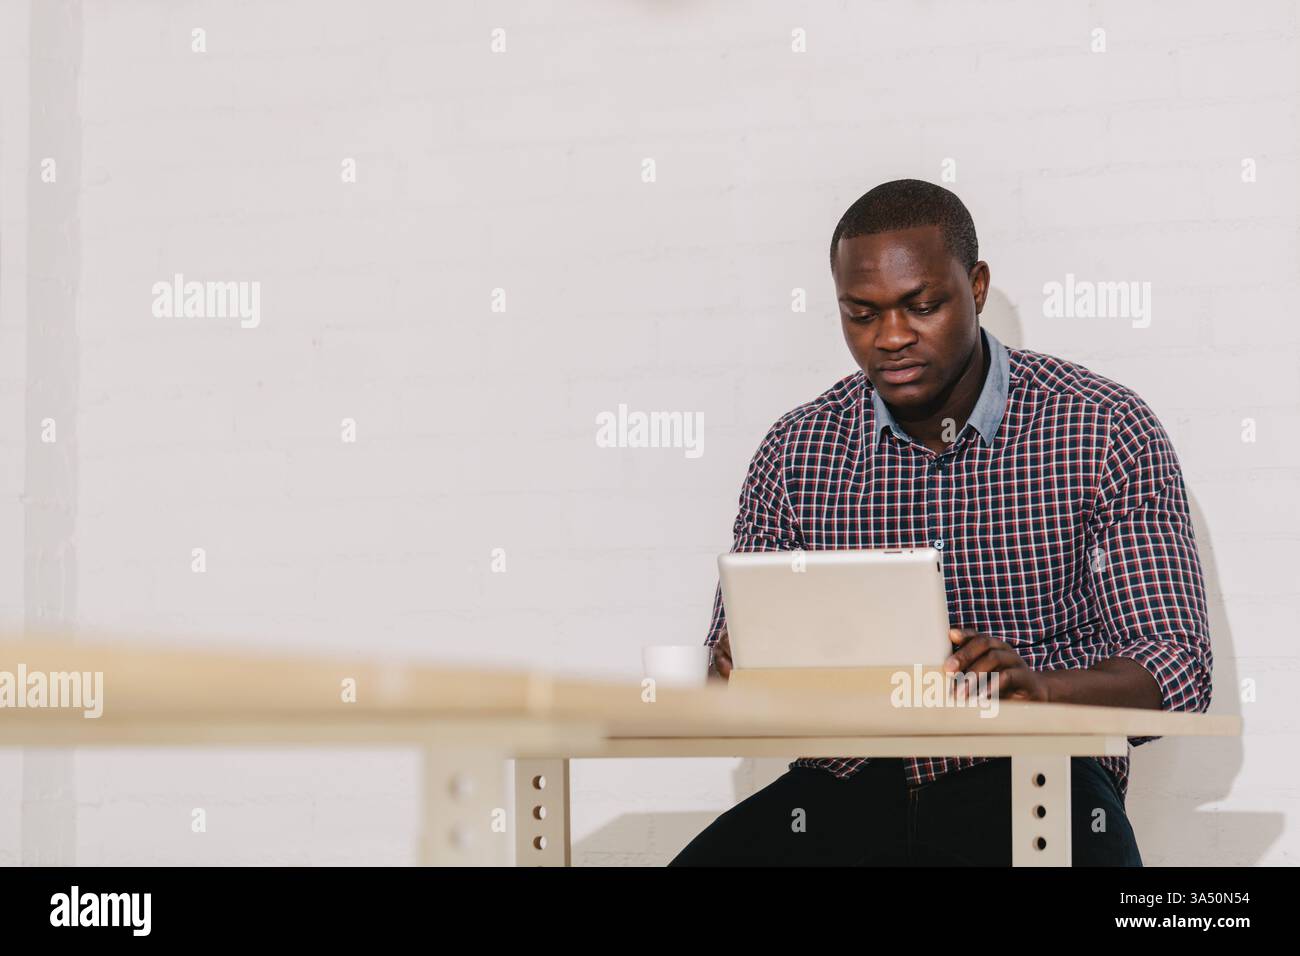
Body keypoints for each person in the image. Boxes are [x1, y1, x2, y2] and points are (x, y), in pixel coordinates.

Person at [670, 179, 1213, 867]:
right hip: (849, 782)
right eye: (861, 314)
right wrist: (732, 668)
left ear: (977, 286)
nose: (891, 337)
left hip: (1036, 776)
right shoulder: (797, 449)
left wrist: (1042, 691)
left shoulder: (1102, 427)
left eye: (921, 306)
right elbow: (732, 658)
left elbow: (1177, 664)